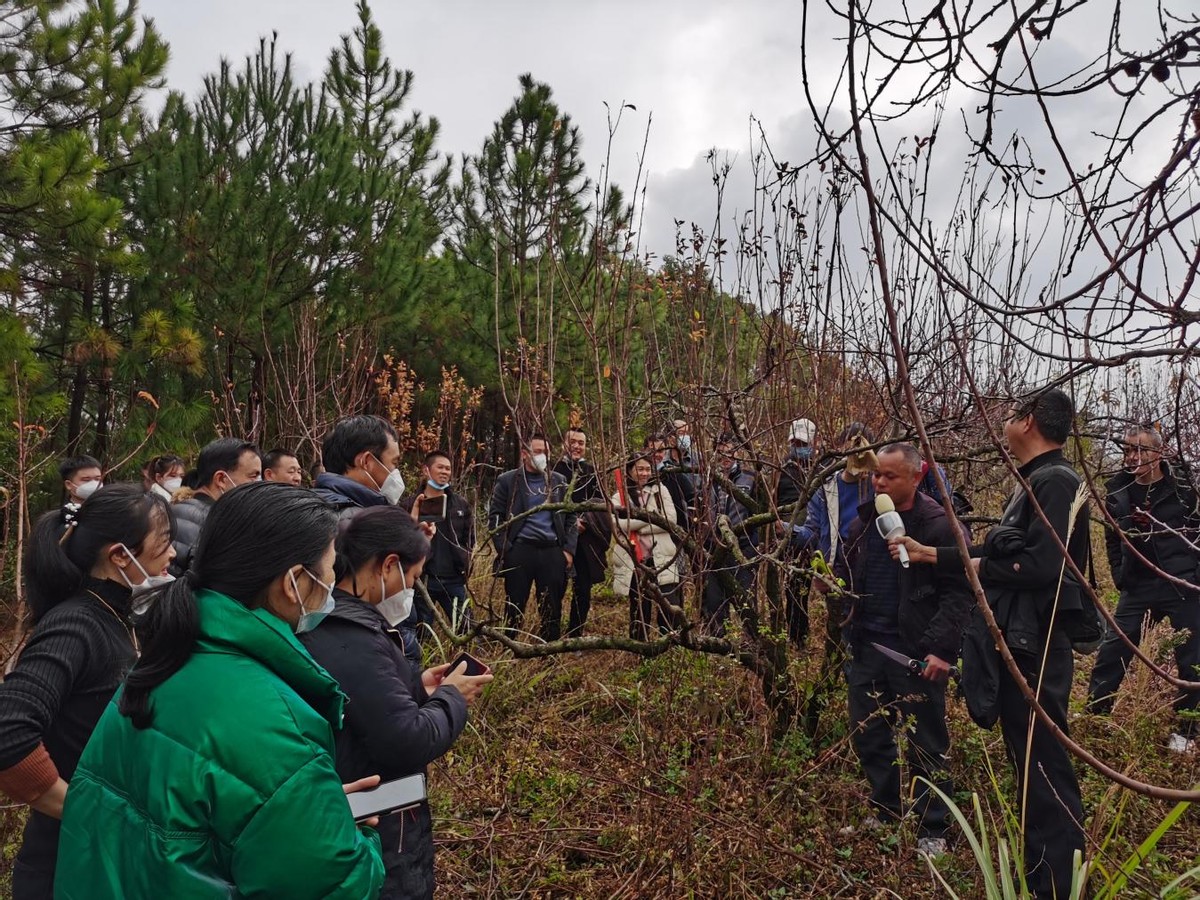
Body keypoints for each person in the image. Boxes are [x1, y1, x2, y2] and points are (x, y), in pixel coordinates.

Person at [54, 482, 385, 898]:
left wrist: (301, 805)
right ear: (295, 583)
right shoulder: (275, 723)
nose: (334, 581)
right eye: (332, 566)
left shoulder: (163, 659)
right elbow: (336, 886)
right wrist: (357, 842)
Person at [896, 388, 1088, 899]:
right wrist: (932, 554)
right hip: (1022, 642)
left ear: (1028, 421)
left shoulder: (1055, 480)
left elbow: (1040, 566)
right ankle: (1040, 876)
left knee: (1043, 764)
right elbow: (1002, 559)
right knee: (1027, 763)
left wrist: (959, 558)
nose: (1004, 420)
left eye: (1011, 413)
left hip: (1038, 645)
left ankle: (1060, 885)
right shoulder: (1034, 481)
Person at [301, 507, 492, 899]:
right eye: (413, 577)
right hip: (379, 820)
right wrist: (452, 697)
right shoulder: (351, 636)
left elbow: (363, 705)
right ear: (388, 565)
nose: (410, 588)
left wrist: (416, 687)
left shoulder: (339, 621)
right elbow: (406, 740)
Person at [0, 485, 172, 898]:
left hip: (108, 856)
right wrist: (85, 811)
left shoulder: (120, 617)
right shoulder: (76, 624)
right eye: (165, 542)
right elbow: (8, 733)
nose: (173, 554)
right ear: (120, 556)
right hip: (68, 865)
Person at [834, 444, 971, 855]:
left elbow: (959, 593)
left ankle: (933, 827)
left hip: (915, 653)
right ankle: (885, 811)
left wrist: (942, 650)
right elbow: (845, 571)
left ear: (916, 476)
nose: (878, 482)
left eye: (889, 476)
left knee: (926, 742)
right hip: (868, 648)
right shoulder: (864, 523)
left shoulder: (939, 527)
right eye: (877, 475)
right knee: (869, 733)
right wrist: (834, 587)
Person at [1087, 425, 1200, 752]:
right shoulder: (1118, 490)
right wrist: (1119, 574)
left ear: (1159, 453)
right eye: (1127, 451)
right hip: (1138, 585)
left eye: (1141, 450)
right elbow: (1112, 536)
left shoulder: (1184, 487)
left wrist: (1195, 575)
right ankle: (1095, 714)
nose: (1133, 457)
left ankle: (1186, 730)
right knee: (1115, 648)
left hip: (1182, 584)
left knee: (1192, 658)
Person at [312, 416, 421, 667]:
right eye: (394, 463)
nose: (396, 474)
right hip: (371, 658)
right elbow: (380, 604)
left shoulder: (317, 504)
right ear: (367, 461)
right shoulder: (356, 522)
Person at [488, 434, 579, 642]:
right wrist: (505, 549)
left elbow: (571, 515)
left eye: (546, 452)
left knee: (551, 605)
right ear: (524, 454)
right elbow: (495, 517)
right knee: (514, 604)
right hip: (520, 549)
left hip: (552, 551)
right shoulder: (508, 480)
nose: (542, 456)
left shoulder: (558, 481)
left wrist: (568, 550)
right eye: (537, 452)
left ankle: (550, 648)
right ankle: (510, 645)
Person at [400, 451, 475, 633]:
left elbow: (470, 538)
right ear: (426, 470)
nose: (445, 472)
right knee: (422, 631)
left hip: (454, 578)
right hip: (424, 579)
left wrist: (465, 559)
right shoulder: (410, 505)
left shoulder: (460, 504)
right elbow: (400, 540)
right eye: (440, 467)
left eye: (448, 468)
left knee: (467, 628)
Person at [612, 454, 682, 639]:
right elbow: (618, 525)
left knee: (668, 606)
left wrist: (638, 525)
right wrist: (651, 517)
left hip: (662, 558)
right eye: (639, 469)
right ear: (629, 471)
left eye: (647, 469)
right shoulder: (619, 496)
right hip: (635, 561)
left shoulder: (660, 491)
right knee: (639, 609)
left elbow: (671, 520)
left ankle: (670, 643)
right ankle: (640, 647)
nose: (644, 473)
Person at [169, 437, 261, 576]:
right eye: (253, 476)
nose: (259, 484)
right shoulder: (217, 525)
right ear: (221, 479)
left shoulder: (173, 511)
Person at [553, 428, 612, 637]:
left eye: (581, 443)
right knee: (555, 589)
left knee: (583, 591)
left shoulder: (591, 472)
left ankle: (575, 635)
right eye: (573, 441)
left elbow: (600, 502)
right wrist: (568, 524)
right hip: (559, 540)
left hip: (585, 540)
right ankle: (551, 634)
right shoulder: (554, 470)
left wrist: (586, 521)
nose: (577, 446)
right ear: (564, 444)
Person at [701, 434, 760, 634]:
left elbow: (759, 512)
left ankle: (752, 639)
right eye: (721, 452)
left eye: (730, 452)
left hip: (742, 547)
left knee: (745, 599)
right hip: (715, 547)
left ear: (738, 452)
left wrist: (753, 545)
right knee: (715, 600)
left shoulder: (750, 477)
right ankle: (719, 640)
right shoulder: (708, 477)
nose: (726, 457)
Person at [777, 418, 818, 646]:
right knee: (793, 588)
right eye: (795, 443)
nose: (798, 447)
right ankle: (796, 636)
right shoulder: (781, 468)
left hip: (815, 536)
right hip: (788, 538)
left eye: (803, 443)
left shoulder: (821, 467)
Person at [646, 433, 695, 529]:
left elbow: (693, 498)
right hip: (647, 531)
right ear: (645, 450)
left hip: (676, 530)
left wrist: (692, 526)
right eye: (652, 451)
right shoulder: (637, 475)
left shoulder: (674, 473)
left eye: (660, 451)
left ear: (665, 452)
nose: (656, 454)